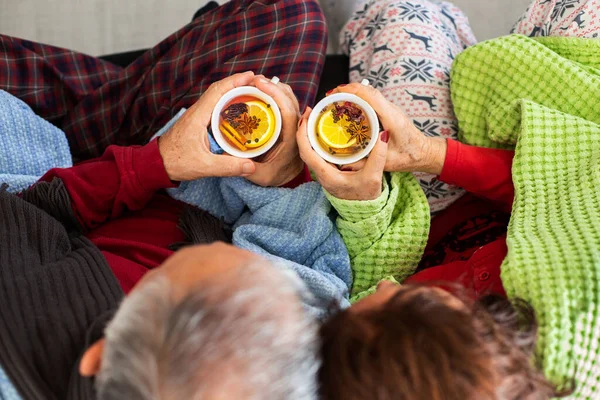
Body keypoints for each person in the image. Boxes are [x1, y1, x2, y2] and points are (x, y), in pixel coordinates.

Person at [0, 1, 332, 399]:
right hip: (178, 165)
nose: (235, 252)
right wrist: (285, 182)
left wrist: (156, 162)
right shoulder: (283, 369)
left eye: (160, 276)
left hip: (59, 168)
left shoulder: (26, 314)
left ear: (99, 356)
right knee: (288, 17)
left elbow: (36, 200)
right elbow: (314, 281)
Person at [301, 0, 600, 399]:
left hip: (423, 208)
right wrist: (434, 155)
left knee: (405, 14)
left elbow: (367, 271)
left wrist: (371, 194)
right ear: (488, 338)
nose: (385, 288)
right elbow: (564, 181)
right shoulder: (577, 319)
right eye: (410, 297)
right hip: (530, 164)